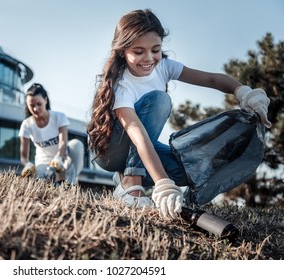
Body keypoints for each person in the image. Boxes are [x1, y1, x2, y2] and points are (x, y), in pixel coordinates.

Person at [87, 9, 271, 219]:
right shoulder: (122, 83)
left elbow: (211, 79)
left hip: (139, 146)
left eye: (155, 50)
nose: (148, 58)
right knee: (159, 101)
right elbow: (137, 134)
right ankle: (131, 182)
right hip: (109, 149)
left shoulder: (164, 67)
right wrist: (163, 183)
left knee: (187, 170)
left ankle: (126, 177)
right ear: (122, 51)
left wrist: (245, 93)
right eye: (138, 52)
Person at [19, 83, 84, 186]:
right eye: (31, 105)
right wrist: (27, 164)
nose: (35, 109)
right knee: (41, 183)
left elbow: (63, 141)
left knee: (77, 145)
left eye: (39, 104)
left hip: (63, 157)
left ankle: (69, 184)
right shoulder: (26, 125)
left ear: (45, 99)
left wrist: (58, 158)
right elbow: (23, 157)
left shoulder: (59, 117)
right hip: (43, 162)